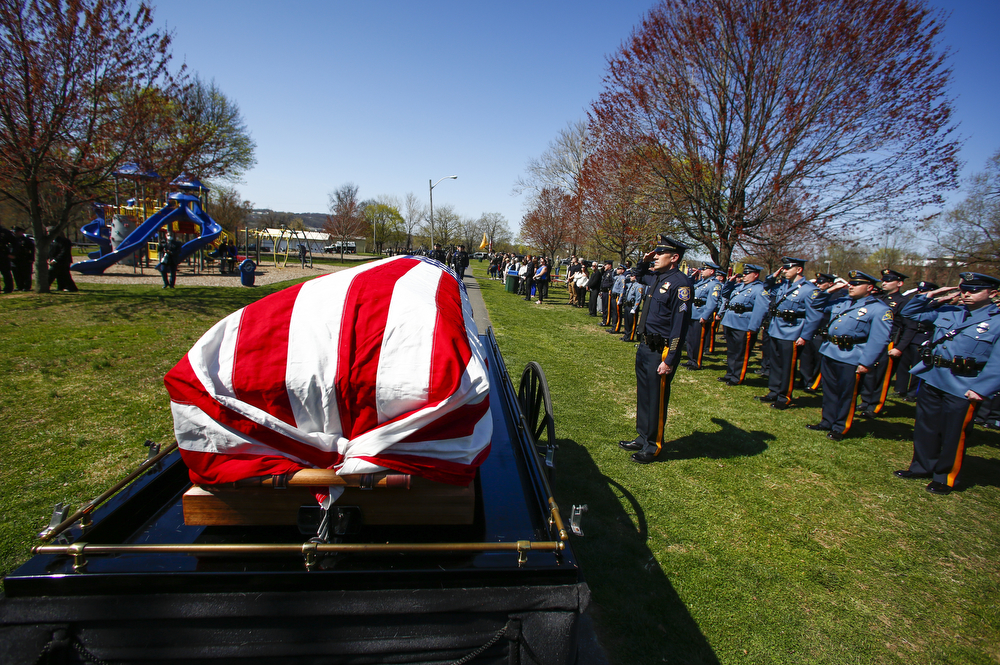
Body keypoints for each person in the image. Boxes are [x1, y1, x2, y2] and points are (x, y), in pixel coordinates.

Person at [893, 273, 1000, 495]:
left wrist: (982, 389)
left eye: (974, 290)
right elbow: (909, 312)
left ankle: (945, 476)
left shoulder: (996, 321)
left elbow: (997, 361)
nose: (967, 294)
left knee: (954, 433)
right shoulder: (949, 311)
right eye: (964, 289)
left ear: (993, 293)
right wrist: (930, 296)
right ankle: (921, 467)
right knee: (926, 427)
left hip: (965, 383)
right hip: (934, 376)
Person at [618, 235, 693, 464]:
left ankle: (653, 445)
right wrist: (644, 259)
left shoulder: (680, 284)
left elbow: (680, 326)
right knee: (644, 395)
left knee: (656, 399)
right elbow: (639, 274)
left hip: (661, 350)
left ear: (674, 257)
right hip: (645, 346)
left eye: (661, 253)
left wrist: (670, 359)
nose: (656, 256)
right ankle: (642, 437)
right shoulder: (657, 277)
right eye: (656, 252)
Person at [805, 270, 892, 441]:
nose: (851, 286)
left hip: (853, 355)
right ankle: (827, 421)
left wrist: (866, 362)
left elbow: (879, 339)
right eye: (851, 283)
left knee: (846, 394)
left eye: (857, 284)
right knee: (830, 391)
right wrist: (830, 291)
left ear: (869, 287)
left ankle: (841, 426)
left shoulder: (879, 309)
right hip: (831, 351)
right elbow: (816, 305)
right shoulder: (842, 301)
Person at [756, 257, 824, 409]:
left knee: (787, 366)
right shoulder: (783, 285)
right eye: (784, 268)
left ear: (799, 269)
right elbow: (767, 287)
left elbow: (814, 316)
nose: (784, 271)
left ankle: (784, 396)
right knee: (775, 364)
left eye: (788, 268)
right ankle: (773, 391)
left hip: (792, 332)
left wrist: (805, 336)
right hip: (776, 329)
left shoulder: (809, 290)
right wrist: (773, 276)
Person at [857, 269, 910, 417]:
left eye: (889, 281)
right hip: (872, 340)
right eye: (883, 280)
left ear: (899, 283)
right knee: (868, 373)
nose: (884, 283)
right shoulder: (878, 298)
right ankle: (865, 401)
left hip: (890, 342)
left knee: (881, 376)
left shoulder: (904, 302)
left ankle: (875, 405)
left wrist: (900, 347)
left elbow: (909, 327)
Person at [717, 264, 769, 385]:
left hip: (743, 323)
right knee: (731, 351)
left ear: (755, 275)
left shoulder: (759, 289)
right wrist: (730, 283)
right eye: (744, 273)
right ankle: (730, 374)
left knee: (741, 352)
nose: (744, 276)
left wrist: (754, 326)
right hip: (730, 321)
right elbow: (725, 294)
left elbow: (761, 309)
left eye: (747, 273)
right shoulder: (739, 286)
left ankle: (737, 377)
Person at [892, 280, 938, 402]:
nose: (921, 294)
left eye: (924, 292)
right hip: (909, 336)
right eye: (920, 291)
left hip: (922, 337)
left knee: (917, 367)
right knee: (903, 365)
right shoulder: (915, 303)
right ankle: (900, 389)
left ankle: (913, 393)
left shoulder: (935, 305)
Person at [799, 273, 836, 392]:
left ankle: (814, 383)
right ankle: (805, 380)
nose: (818, 285)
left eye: (822, 283)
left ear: (830, 284)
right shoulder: (816, 295)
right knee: (806, 358)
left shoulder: (836, 297)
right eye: (817, 282)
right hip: (810, 331)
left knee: (818, 359)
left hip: (822, 333)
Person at [684, 260, 723, 370]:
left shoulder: (714, 284)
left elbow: (712, 302)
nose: (702, 271)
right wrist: (693, 276)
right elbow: (688, 285)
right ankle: (691, 359)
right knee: (690, 339)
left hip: (701, 314)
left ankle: (697, 362)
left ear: (711, 271)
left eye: (705, 269)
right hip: (693, 313)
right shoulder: (700, 282)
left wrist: (705, 316)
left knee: (698, 340)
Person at [11, 227, 35, 291]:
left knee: (26, 274)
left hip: (25, 259)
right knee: (17, 274)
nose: (15, 233)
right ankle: (19, 286)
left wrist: (32, 258)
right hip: (15, 259)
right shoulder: (13, 240)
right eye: (14, 232)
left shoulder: (27, 240)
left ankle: (27, 286)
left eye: (16, 232)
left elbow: (33, 250)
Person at [0, 224, 14, 293]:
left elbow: (15, 242)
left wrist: (12, 253)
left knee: (6, 272)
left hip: (3, 254)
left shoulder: (4, 232)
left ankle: (8, 288)